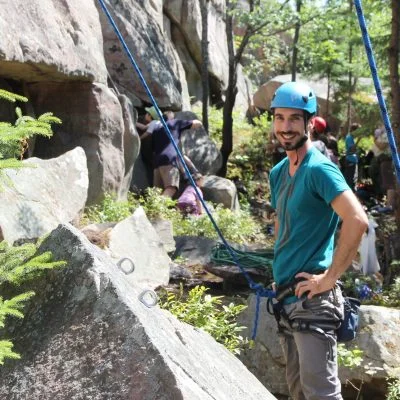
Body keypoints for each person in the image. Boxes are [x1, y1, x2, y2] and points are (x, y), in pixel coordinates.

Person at [268, 82, 368, 400]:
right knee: (299, 393)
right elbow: (284, 223)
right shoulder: (279, 171)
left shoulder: (320, 170)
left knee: (321, 395)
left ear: (310, 121)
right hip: (287, 296)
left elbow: (357, 220)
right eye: (279, 118)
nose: (285, 127)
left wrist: (329, 278)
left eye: (294, 119)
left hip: (313, 302)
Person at [140, 110, 203, 198]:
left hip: (156, 162)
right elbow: (196, 123)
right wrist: (198, 122)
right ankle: (158, 206)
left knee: (157, 191)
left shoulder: (156, 126)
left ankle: (152, 208)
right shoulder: (175, 123)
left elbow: (145, 131)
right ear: (171, 117)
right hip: (169, 160)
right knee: (171, 188)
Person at [342, 123, 360, 191]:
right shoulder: (349, 137)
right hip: (350, 161)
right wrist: (358, 140)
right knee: (350, 179)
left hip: (353, 160)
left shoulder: (352, 138)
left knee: (354, 178)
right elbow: (352, 149)